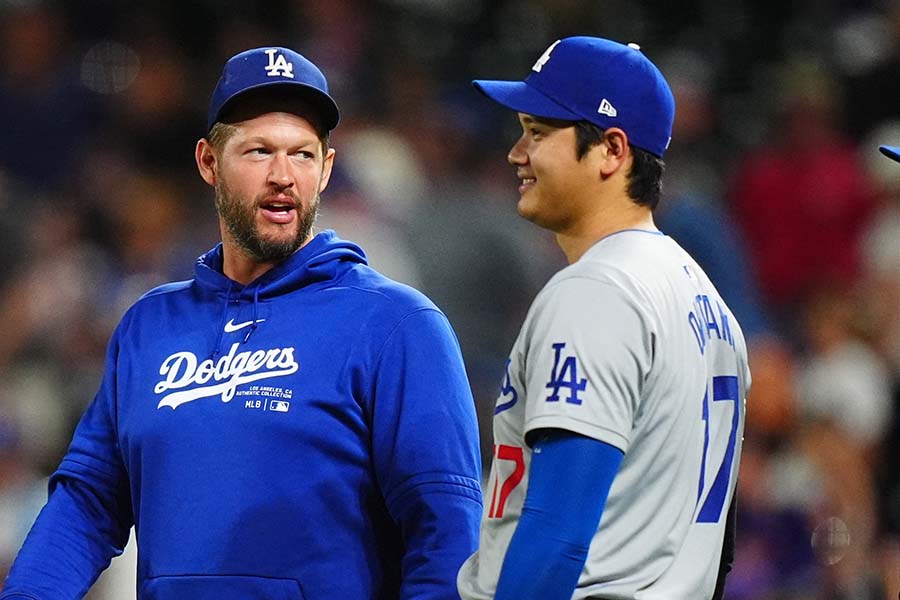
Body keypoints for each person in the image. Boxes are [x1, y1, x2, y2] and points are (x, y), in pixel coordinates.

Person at [0, 46, 483, 599]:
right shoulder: (150, 324)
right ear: (208, 162)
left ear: (326, 169)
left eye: (302, 154)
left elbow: (445, 532)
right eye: (258, 151)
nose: (283, 176)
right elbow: (87, 503)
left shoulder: (397, 325)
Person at [456, 37, 751, 599]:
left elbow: (557, 534)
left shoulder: (598, 291)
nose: (516, 153)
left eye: (539, 133)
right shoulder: (707, 302)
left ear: (612, 151)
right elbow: (719, 552)